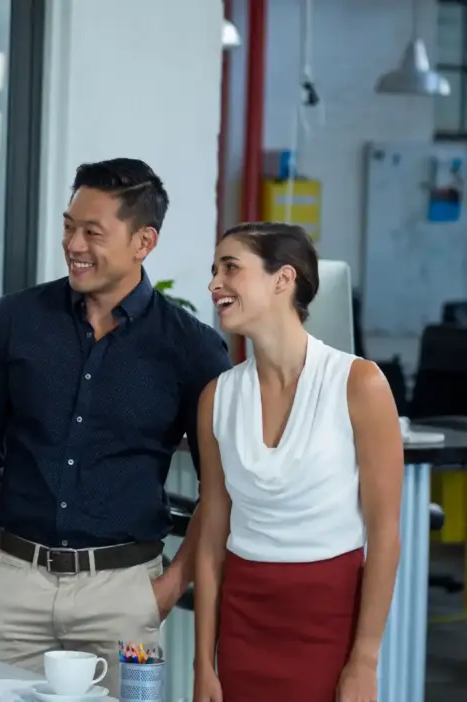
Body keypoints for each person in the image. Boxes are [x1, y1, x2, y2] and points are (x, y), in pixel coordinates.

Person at [0, 158, 233, 695]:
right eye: (68, 226)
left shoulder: (192, 348)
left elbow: (218, 489)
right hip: (13, 591)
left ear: (143, 242)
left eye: (92, 232)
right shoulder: (16, 320)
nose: (73, 244)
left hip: (126, 601)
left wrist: (168, 587)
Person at [193, 223, 402, 702]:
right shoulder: (217, 398)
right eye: (214, 270)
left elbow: (385, 534)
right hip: (244, 624)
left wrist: (364, 660)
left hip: (328, 623)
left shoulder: (359, 384)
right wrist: (204, 664)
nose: (214, 285)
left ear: (282, 279)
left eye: (231, 268)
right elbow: (211, 541)